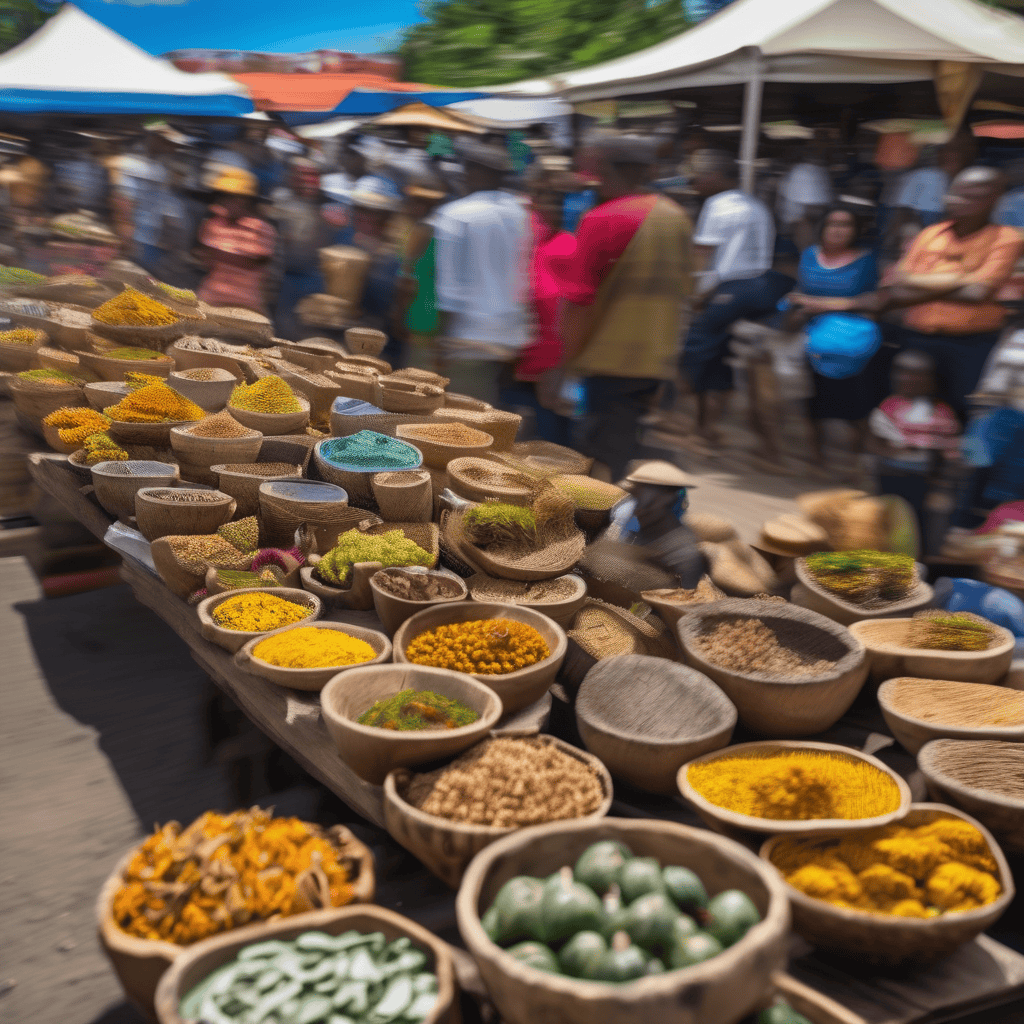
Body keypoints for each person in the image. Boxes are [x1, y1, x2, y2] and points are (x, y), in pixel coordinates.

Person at [546, 133, 693, 480]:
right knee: (625, 446)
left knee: (600, 459)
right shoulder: (677, 217)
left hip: (610, 361)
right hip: (657, 359)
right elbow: (686, 293)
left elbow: (579, 302)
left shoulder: (602, 219)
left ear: (604, 170)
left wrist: (564, 366)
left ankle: (601, 526)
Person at [883, 166, 1024, 419]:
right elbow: (898, 284)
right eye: (957, 193)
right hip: (917, 337)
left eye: (974, 195)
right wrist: (960, 280)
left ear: (995, 199)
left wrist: (918, 283)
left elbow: (977, 294)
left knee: (961, 409)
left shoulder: (1007, 238)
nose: (960, 201)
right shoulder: (929, 235)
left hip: (971, 343)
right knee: (911, 410)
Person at [682, 150, 788, 448]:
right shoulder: (757, 205)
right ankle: (767, 443)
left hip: (728, 291)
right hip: (761, 289)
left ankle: (699, 427)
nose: (694, 183)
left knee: (695, 361)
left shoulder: (717, 205)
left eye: (698, 176)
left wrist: (697, 296)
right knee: (747, 363)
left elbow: (704, 254)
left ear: (715, 176)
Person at [432, 140, 532, 404]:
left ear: (475, 171)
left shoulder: (455, 214)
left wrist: (442, 339)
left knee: (461, 427)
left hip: (469, 341)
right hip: (511, 340)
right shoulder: (521, 213)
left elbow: (450, 289)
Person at [785, 206, 881, 470]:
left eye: (846, 224)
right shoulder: (809, 256)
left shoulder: (865, 260)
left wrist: (822, 305)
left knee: (855, 407)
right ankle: (817, 458)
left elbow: (870, 301)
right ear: (822, 228)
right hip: (813, 339)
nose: (838, 230)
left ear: (856, 231)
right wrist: (802, 305)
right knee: (813, 403)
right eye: (832, 224)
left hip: (851, 341)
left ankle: (853, 462)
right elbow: (800, 293)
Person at [502, 167, 578, 447]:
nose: (553, 207)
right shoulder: (524, 235)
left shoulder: (570, 245)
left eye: (558, 202)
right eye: (545, 199)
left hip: (553, 352)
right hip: (516, 348)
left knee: (552, 431)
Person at [869, 349, 960, 553]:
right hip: (888, 477)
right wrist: (884, 454)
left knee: (919, 527)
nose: (906, 378)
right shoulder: (889, 406)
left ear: (931, 380)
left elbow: (950, 454)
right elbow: (874, 442)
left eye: (917, 374)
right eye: (901, 372)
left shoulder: (942, 413)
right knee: (887, 523)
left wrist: (942, 488)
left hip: (922, 482)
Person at [335, 175, 404, 364]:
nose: (364, 215)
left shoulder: (393, 258)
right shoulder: (341, 241)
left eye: (373, 211)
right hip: (337, 340)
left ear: (386, 216)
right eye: (359, 208)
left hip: (375, 347)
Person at [272, 158, 341, 339]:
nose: (308, 181)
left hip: (313, 276)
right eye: (302, 175)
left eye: (312, 176)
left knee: (309, 326)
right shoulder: (281, 201)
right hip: (286, 275)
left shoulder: (328, 206)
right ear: (292, 177)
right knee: (282, 327)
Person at [196, 169, 277, 314]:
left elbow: (263, 266)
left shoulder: (261, 229)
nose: (225, 201)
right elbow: (206, 260)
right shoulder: (214, 224)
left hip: (246, 306)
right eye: (224, 196)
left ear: (247, 200)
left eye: (233, 197)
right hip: (211, 298)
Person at [393, 175, 448, 373]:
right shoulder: (446, 229)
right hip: (437, 320)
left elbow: (406, 278)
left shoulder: (422, 230)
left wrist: (398, 314)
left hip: (419, 319)